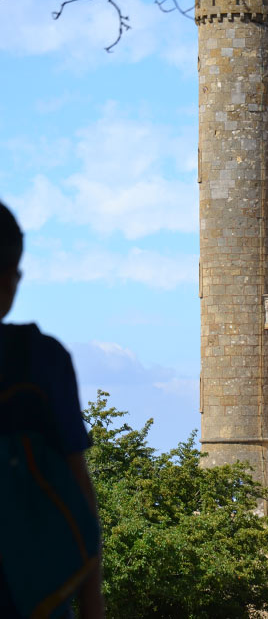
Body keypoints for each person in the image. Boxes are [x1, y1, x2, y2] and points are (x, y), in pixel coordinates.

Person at [0, 202, 104, 619]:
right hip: (36, 596)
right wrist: (93, 604)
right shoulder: (39, 360)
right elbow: (79, 489)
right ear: (11, 279)